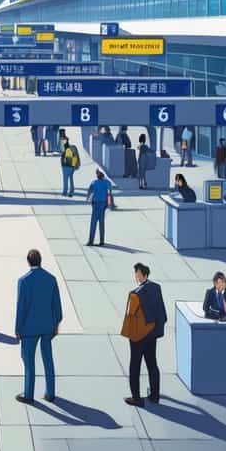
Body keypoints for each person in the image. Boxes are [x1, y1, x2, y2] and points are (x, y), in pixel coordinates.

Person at [15, 249, 62, 404]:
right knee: (48, 359)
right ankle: (50, 392)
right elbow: (57, 305)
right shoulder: (51, 279)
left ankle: (29, 394)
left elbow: (21, 308)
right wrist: (56, 323)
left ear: (28, 262)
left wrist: (18, 329)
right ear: (40, 260)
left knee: (29, 361)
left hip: (29, 329)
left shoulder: (23, 281)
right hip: (47, 326)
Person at [122, 262, 166, 407]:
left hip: (138, 336)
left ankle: (136, 397)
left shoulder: (135, 295)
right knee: (152, 364)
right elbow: (162, 312)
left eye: (138, 274)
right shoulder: (156, 288)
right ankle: (154, 395)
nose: (136, 276)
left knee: (134, 366)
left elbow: (130, 315)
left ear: (144, 275)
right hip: (152, 334)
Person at [85, 169, 112, 246]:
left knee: (93, 222)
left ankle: (91, 240)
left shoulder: (94, 183)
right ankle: (102, 240)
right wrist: (109, 204)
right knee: (101, 223)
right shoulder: (106, 183)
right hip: (103, 204)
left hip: (95, 204)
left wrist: (89, 200)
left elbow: (90, 192)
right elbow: (110, 193)